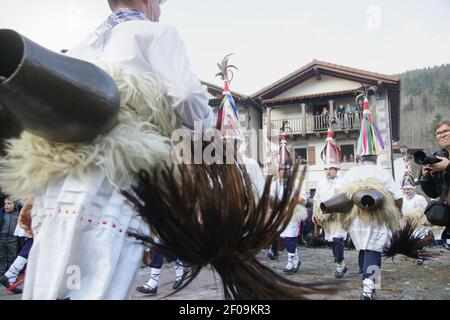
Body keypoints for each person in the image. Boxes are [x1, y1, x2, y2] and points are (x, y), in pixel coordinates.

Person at [0, 0, 213, 299]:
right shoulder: (157, 32)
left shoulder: (82, 46)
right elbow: (188, 95)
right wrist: (209, 137)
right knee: (99, 283)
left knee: (51, 283)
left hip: (57, 180)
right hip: (114, 175)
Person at [336, 95, 403, 300]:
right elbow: (398, 197)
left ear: (360, 156)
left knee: (365, 248)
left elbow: (338, 195)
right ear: (375, 156)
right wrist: (397, 212)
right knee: (373, 250)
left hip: (356, 220)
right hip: (377, 218)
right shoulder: (382, 173)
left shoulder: (350, 173)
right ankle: (369, 287)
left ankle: (368, 281)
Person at [269, 131, 307, 274]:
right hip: (280, 213)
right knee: (285, 238)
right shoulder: (274, 184)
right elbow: (271, 200)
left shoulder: (296, 182)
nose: (282, 172)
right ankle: (295, 259)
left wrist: (289, 200)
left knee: (291, 237)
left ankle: (291, 261)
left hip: (293, 212)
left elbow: (304, 198)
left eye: (284, 170)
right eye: (280, 169)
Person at [313, 129, 348, 278]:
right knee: (331, 241)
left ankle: (340, 264)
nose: (328, 171)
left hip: (339, 217)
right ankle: (341, 263)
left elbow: (346, 198)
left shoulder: (343, 181)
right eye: (326, 169)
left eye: (331, 169)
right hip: (326, 218)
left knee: (338, 239)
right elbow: (316, 199)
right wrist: (316, 214)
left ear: (336, 169)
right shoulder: (320, 183)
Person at [419, 120, 450, 248]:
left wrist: (448, 165)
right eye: (438, 133)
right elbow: (433, 193)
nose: (442, 135)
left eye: (446, 131)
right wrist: (425, 177)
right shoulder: (437, 156)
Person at [0, 199, 20, 278]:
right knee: (1, 257)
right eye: (5, 204)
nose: (6, 205)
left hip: (13, 239)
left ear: (15, 205)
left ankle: (11, 275)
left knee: (12, 257)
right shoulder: (2, 213)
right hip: (1, 238)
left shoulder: (18, 214)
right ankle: (1, 274)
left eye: (9, 203)